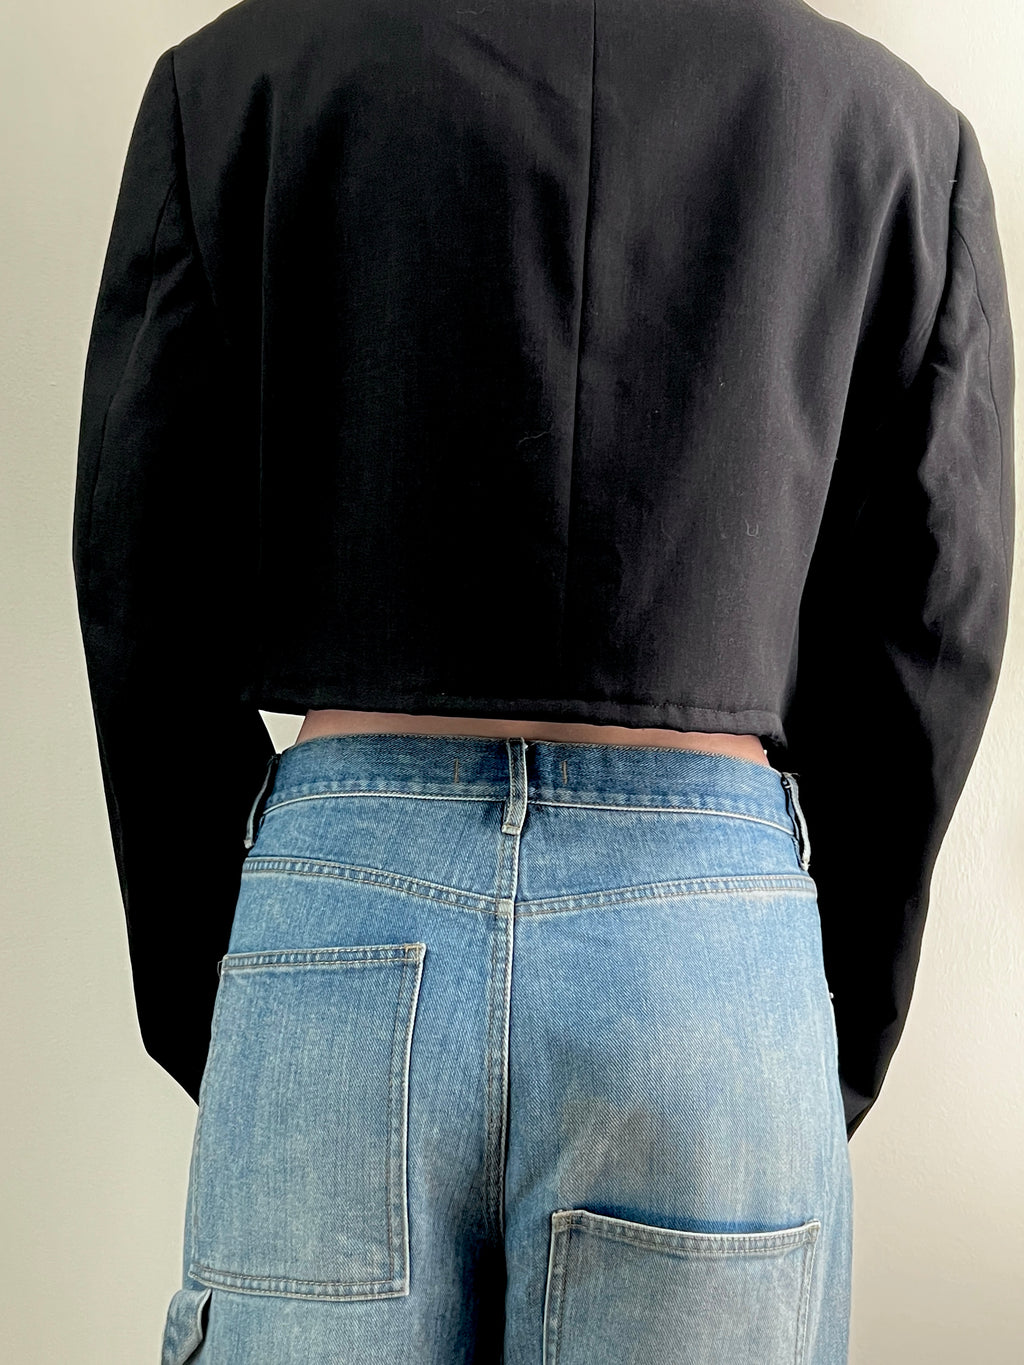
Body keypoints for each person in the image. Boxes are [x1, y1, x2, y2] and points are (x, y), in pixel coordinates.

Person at [72, 1, 1014, 1361]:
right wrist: (808, 1012)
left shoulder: (236, 82)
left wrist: (236, 982)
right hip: (706, 947)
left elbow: (141, 572)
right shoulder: (897, 139)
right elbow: (933, 627)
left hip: (341, 921)